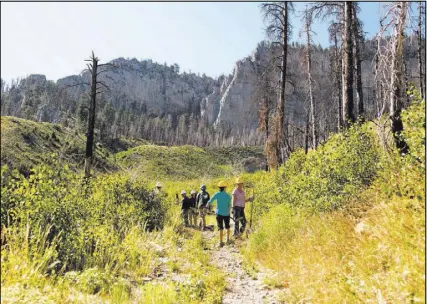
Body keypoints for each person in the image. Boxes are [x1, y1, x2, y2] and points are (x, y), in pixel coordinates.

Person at [208, 181, 231, 247]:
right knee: (227, 227)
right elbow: (229, 206)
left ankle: (220, 242)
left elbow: (210, 201)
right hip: (227, 214)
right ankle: (228, 240)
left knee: (220, 228)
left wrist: (208, 207)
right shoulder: (228, 196)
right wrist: (229, 213)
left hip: (219, 214)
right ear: (224, 188)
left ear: (219, 187)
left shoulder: (217, 194)